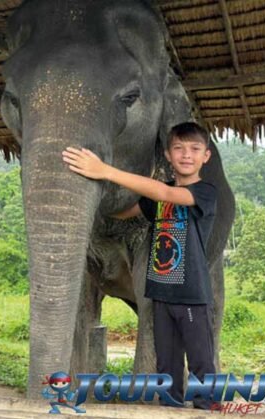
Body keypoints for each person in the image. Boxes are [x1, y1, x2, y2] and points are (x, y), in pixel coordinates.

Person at [62, 122, 216, 409]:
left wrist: (105, 170)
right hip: (161, 296)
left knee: (202, 365)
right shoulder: (159, 196)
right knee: (166, 368)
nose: (186, 155)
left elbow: (167, 195)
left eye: (194, 149)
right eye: (178, 148)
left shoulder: (204, 192)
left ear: (205, 156)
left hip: (192, 297)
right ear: (168, 155)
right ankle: (172, 412)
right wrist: (91, 201)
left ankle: (209, 412)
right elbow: (127, 212)